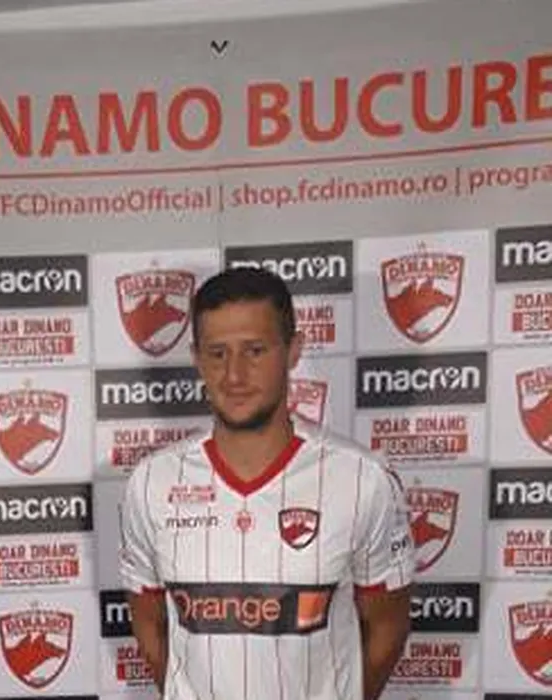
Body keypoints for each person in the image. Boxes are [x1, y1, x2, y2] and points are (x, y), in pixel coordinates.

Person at [119, 266, 414, 700]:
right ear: (196, 358)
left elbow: (387, 627)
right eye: (217, 353)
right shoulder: (151, 483)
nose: (234, 375)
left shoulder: (361, 479)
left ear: (293, 350)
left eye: (255, 351)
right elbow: (148, 623)